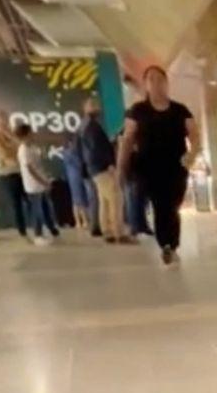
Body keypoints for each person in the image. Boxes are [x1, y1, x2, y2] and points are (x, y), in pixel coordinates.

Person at [117, 65, 198, 266]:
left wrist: (192, 153)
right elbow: (127, 140)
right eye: (150, 79)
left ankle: (170, 243)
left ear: (166, 83)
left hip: (176, 167)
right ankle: (167, 245)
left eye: (160, 79)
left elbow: (195, 136)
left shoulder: (180, 110)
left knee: (172, 207)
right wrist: (121, 166)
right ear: (145, 85)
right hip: (148, 167)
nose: (156, 83)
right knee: (160, 205)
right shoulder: (137, 111)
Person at [79, 95, 130, 244]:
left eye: (96, 104)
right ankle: (118, 232)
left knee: (104, 200)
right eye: (92, 105)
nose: (96, 107)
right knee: (116, 198)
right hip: (101, 167)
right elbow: (97, 149)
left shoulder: (85, 126)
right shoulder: (92, 127)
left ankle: (107, 230)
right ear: (85, 108)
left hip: (94, 169)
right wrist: (110, 164)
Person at [15, 122, 60, 243]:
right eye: (30, 132)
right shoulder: (23, 150)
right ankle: (37, 235)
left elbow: (39, 164)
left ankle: (51, 229)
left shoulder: (32, 147)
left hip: (40, 182)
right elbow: (30, 169)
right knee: (37, 210)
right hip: (33, 185)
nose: (33, 134)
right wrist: (42, 182)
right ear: (25, 134)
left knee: (45, 207)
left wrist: (45, 179)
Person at [0, 109, 28, 239]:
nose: (4, 118)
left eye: (5, 115)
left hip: (21, 170)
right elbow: (2, 153)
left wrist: (13, 147)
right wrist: (13, 151)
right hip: (7, 172)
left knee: (30, 199)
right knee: (16, 202)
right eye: (0, 116)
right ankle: (23, 231)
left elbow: (22, 147)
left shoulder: (11, 132)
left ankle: (39, 227)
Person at [62, 128, 92, 231]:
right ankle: (84, 221)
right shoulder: (73, 152)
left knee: (76, 200)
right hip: (77, 176)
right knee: (81, 199)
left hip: (71, 177)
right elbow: (79, 164)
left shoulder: (65, 152)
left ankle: (79, 222)